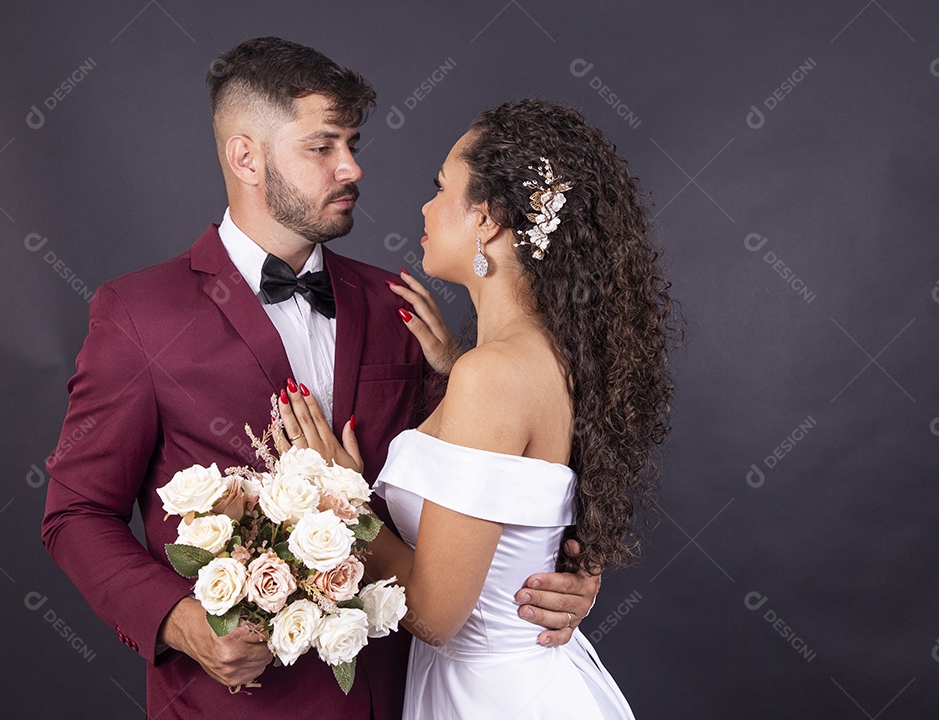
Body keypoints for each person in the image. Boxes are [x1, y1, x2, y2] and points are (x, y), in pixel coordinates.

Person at [40, 38, 599, 720]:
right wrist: (181, 621)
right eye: (322, 146)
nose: (352, 166)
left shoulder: (401, 305)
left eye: (353, 143)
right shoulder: (137, 314)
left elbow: (491, 478)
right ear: (246, 157)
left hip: (403, 696)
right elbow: (75, 513)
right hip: (233, 705)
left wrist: (569, 566)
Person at [280, 98, 675, 718]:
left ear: (488, 220)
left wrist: (342, 498)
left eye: (441, 189)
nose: (426, 207)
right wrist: (455, 367)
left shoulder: (491, 376)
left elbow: (436, 616)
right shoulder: (541, 357)